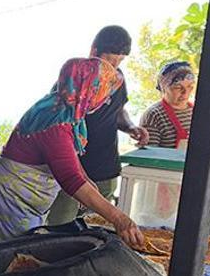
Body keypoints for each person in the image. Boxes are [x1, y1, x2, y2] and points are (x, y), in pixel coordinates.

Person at [0, 57, 144, 248]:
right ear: (89, 88)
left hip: (23, 194)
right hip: (9, 196)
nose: (106, 100)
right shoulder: (55, 122)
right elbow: (71, 180)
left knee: (22, 252)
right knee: (4, 256)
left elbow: (68, 156)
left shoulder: (67, 108)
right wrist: (120, 219)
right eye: (104, 92)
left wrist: (87, 178)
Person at [47, 26, 149, 226]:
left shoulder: (118, 80)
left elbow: (118, 111)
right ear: (94, 51)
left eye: (120, 61)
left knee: (96, 231)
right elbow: (58, 131)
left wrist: (130, 127)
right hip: (71, 172)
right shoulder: (72, 83)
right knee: (60, 228)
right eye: (110, 60)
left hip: (105, 169)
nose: (114, 67)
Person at [140, 61, 196, 148]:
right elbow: (149, 156)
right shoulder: (154, 115)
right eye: (178, 87)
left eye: (190, 86)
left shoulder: (197, 112)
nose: (185, 93)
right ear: (163, 88)